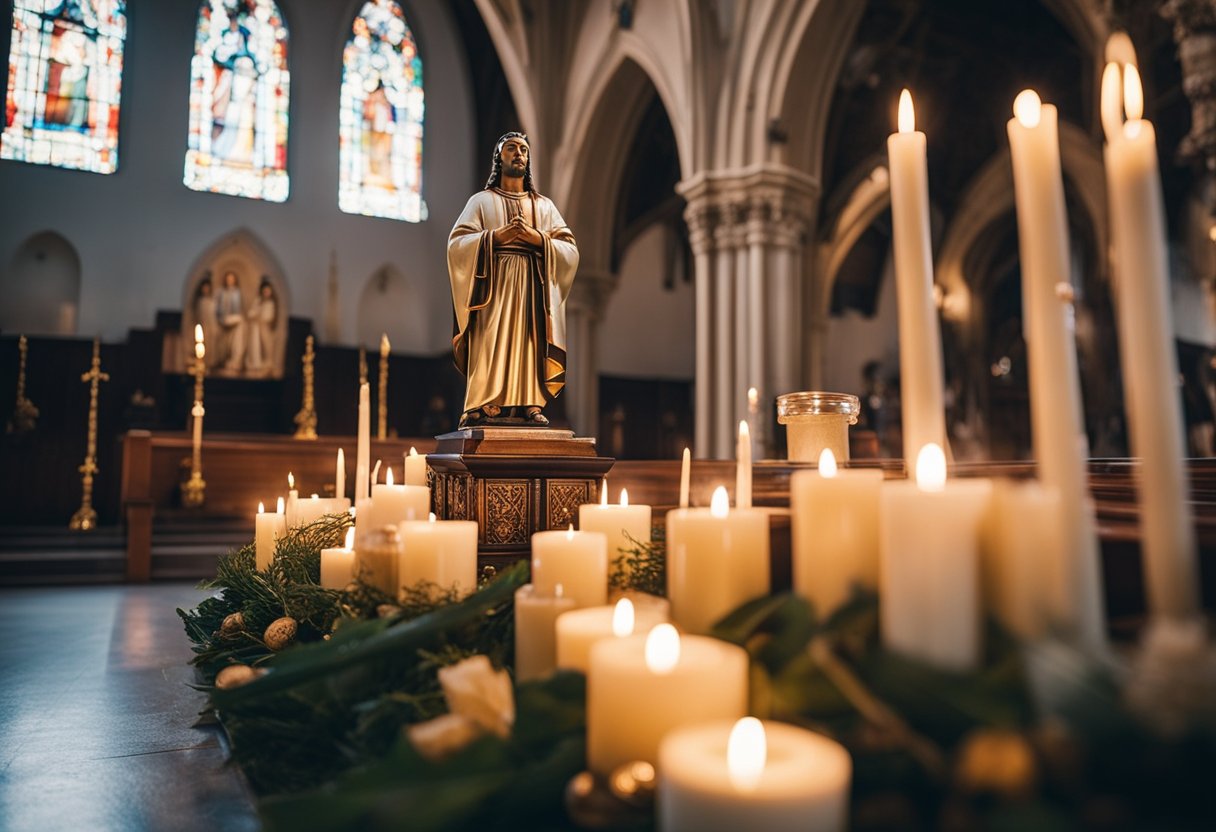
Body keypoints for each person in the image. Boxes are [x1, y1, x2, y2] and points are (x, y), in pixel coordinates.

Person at [446, 132, 579, 427]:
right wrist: (494, 237)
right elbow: (456, 244)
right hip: (493, 283)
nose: (518, 153)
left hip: (532, 284)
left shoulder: (543, 206)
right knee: (491, 338)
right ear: (499, 157)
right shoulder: (481, 201)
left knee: (529, 339)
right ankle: (481, 402)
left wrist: (537, 239)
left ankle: (528, 402)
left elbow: (569, 249)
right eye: (511, 148)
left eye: (523, 150)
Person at [215, 271, 246, 374]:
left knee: (239, 329)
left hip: (233, 319)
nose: (230, 281)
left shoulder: (237, 292)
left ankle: (236, 359)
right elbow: (218, 308)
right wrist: (221, 317)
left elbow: (237, 309)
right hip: (222, 319)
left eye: (232, 279)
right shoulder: (221, 292)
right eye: (228, 279)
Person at [245, 279, 277, 376]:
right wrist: (256, 315)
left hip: (265, 328)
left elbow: (269, 317)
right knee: (256, 345)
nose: (266, 293)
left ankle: (267, 363)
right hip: (256, 328)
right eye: (265, 291)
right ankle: (255, 362)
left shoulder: (270, 304)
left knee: (267, 345)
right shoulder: (258, 301)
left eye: (268, 291)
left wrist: (261, 318)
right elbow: (251, 313)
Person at [193, 277, 219, 368]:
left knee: (212, 347)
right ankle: (204, 364)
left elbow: (215, 315)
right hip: (203, 327)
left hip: (212, 326)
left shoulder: (213, 301)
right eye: (204, 288)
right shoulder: (200, 302)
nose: (206, 290)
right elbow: (199, 316)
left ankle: (212, 364)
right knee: (204, 347)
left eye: (207, 288)